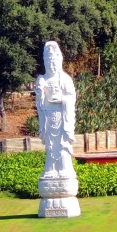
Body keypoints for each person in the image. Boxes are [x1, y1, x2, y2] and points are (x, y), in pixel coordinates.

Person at [35, 41, 77, 176]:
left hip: (62, 118)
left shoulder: (65, 79)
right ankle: (50, 170)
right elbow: (39, 102)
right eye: (48, 63)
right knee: (50, 146)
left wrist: (61, 100)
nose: (51, 66)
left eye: (54, 63)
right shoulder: (42, 79)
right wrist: (40, 91)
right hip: (48, 118)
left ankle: (65, 170)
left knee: (62, 145)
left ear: (59, 62)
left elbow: (71, 97)